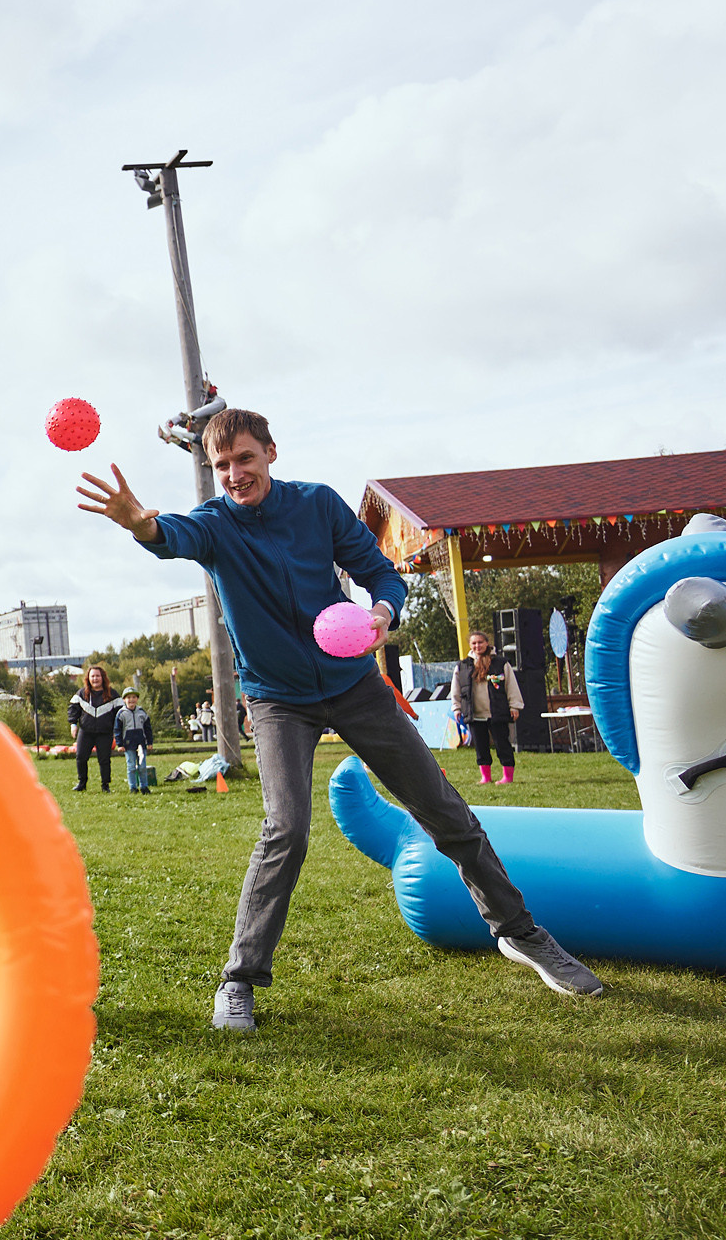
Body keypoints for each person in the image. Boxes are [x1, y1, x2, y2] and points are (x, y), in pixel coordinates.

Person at [77, 407, 602, 1032]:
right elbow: (174, 536)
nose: (234, 474)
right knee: (287, 830)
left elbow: (379, 570)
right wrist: (141, 524)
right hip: (276, 698)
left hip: (356, 686)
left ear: (271, 451)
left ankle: (519, 933)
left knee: (445, 811)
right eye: (221, 466)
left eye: (245, 458)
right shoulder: (216, 526)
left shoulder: (318, 506)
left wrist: (383, 612)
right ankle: (239, 980)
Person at [453, 631, 525, 786]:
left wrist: (515, 706)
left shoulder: (501, 663)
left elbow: (511, 686)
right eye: (474, 643)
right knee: (480, 746)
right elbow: (456, 690)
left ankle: (508, 777)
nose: (477, 646)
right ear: (470, 645)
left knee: (502, 744)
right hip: (475, 714)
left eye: (480, 642)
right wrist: (457, 708)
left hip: (496, 712)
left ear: (487, 643)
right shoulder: (463, 666)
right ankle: (486, 777)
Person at [67, 665, 123, 792]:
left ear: (102, 678)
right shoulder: (81, 694)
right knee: (80, 757)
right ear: (88, 678)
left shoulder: (112, 694)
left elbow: (120, 713)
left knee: (104, 759)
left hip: (105, 733)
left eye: (97, 676)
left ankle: (105, 785)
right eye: (92, 676)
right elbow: (73, 709)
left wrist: (119, 730)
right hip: (86, 731)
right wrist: (73, 724)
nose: (95, 678)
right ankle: (82, 783)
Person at [117, 690, 156, 794]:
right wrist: (120, 744)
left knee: (142, 766)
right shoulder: (121, 714)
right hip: (128, 744)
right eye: (128, 698)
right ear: (124, 700)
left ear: (137, 699)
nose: (131, 700)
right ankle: (133, 787)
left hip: (141, 744)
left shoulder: (141, 712)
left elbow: (148, 728)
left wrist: (149, 742)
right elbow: (117, 730)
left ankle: (144, 787)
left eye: (134, 697)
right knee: (131, 767)